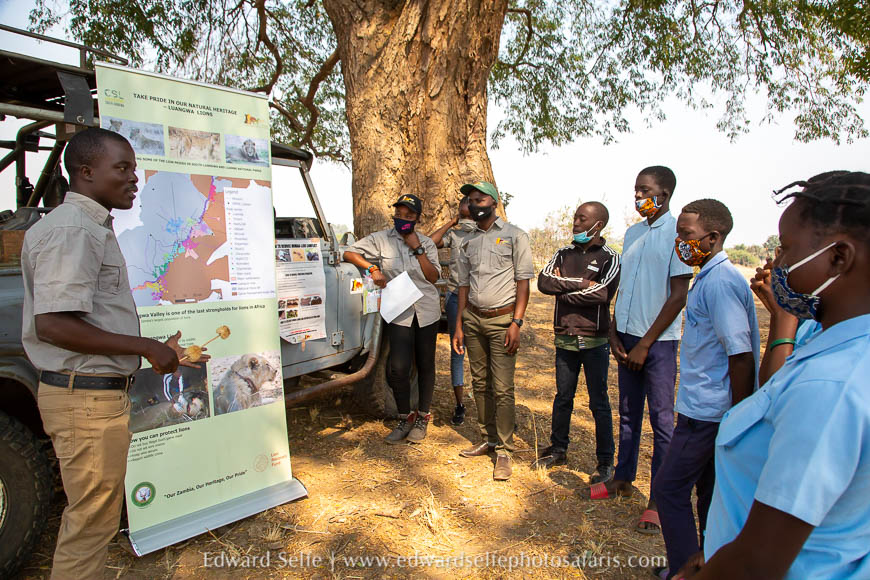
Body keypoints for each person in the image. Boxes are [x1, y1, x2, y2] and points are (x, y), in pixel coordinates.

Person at [21, 128, 203, 580]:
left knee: (95, 520)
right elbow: (54, 324)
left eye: (134, 170)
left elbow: (86, 318)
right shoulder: (72, 230)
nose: (133, 179)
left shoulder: (88, 227)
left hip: (92, 396)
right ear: (85, 172)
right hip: (84, 401)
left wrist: (154, 350)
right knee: (89, 526)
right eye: (121, 168)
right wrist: (143, 347)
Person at [676, 171, 870, 580]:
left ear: (839, 258)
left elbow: (759, 562)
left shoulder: (832, 386)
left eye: (786, 249)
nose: (776, 263)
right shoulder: (830, 341)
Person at [651, 199, 759, 579]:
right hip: (704, 406)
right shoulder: (708, 278)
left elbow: (740, 355)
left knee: (669, 490)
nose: (680, 241)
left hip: (709, 413)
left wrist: (738, 417)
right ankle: (710, 563)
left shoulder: (721, 284)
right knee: (709, 496)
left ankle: (684, 568)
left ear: (712, 238)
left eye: (687, 235)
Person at [591, 166, 694, 536]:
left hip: (659, 342)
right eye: (635, 189)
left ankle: (659, 500)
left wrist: (647, 343)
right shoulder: (633, 233)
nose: (637, 196)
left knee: (662, 422)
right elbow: (627, 287)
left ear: (664, 194)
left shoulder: (677, 236)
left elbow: (679, 294)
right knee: (629, 414)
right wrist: (616, 334)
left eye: (645, 190)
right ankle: (622, 478)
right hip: (627, 338)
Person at [533, 202, 621, 484]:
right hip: (565, 337)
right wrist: (582, 284)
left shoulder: (611, 258)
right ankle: (559, 448)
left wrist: (565, 288)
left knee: (599, 402)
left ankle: (605, 462)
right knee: (563, 397)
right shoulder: (563, 253)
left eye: (582, 219)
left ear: (598, 225)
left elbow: (603, 293)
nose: (576, 223)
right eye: (575, 217)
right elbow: (544, 282)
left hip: (595, 340)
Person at [452, 181, 534, 481]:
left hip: (503, 321)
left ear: (495, 202)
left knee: (502, 388)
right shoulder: (467, 241)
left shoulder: (515, 236)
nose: (475, 204)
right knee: (480, 383)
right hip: (473, 319)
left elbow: (523, 282)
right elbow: (463, 285)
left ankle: (504, 449)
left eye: (481, 198)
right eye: (471, 200)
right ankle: (488, 438)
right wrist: (459, 325)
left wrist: (517, 322)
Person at [343, 194, 441, 443]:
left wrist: (417, 247)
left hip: (426, 310)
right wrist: (372, 268)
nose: (403, 219)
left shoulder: (427, 243)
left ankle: (422, 418)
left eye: (409, 216)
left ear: (417, 218)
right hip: (399, 308)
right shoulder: (381, 239)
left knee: (425, 363)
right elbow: (349, 253)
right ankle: (404, 417)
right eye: (399, 215)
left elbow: (432, 277)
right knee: (398, 367)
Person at [429, 194, 476, 425]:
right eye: (462, 205)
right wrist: (451, 222)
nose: (465, 207)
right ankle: (459, 404)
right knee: (457, 352)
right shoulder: (454, 234)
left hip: (479, 300)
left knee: (481, 354)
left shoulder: (485, 233)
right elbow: (430, 242)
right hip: (456, 297)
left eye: (469, 204)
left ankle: (492, 405)